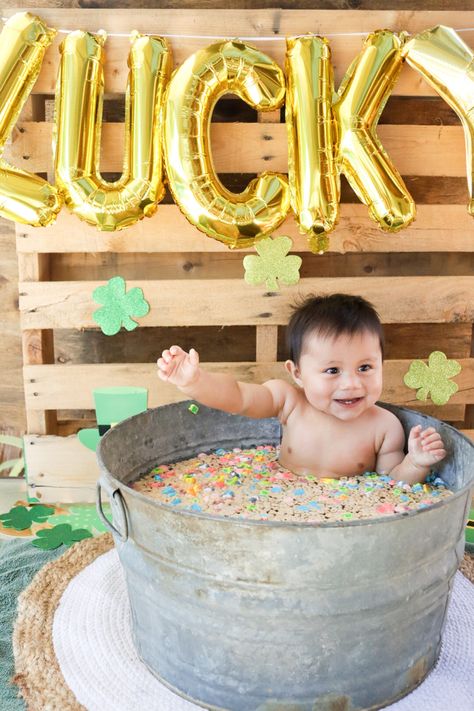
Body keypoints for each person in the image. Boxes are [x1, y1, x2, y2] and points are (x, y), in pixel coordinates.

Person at [157, 293, 446, 484]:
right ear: (297, 373)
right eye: (332, 370)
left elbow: (393, 484)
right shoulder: (288, 402)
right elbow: (239, 398)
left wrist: (416, 463)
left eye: (365, 367)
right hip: (281, 498)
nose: (352, 383)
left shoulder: (385, 427)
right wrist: (196, 382)